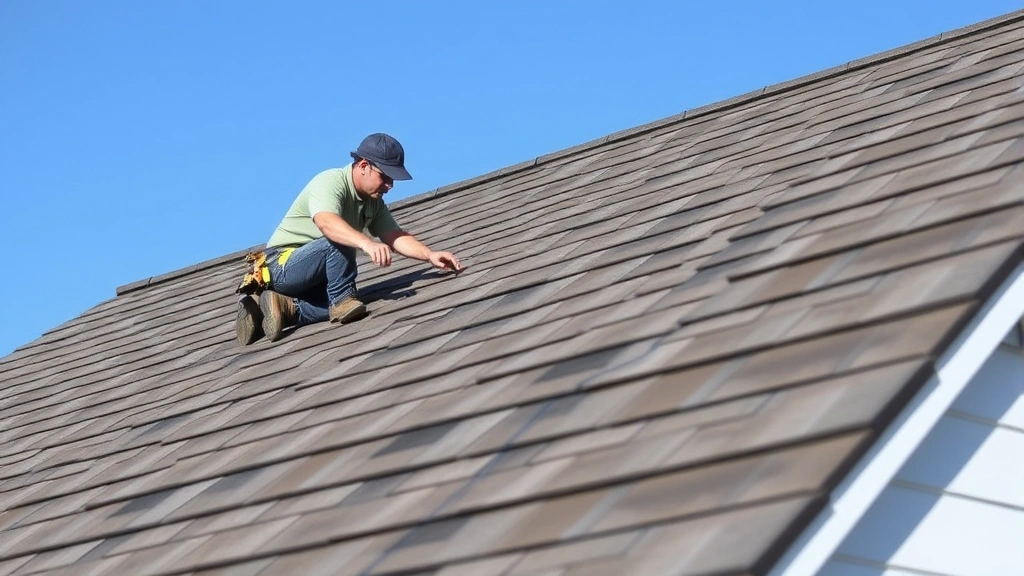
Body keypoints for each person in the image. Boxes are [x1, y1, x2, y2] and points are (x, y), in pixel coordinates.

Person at [235, 133, 462, 345]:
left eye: (393, 180)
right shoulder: (330, 181)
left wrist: (429, 255)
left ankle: (285, 308)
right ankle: (339, 301)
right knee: (343, 284)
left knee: (357, 299)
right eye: (385, 177)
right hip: (281, 266)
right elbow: (326, 222)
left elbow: (395, 236)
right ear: (363, 166)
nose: (390, 186)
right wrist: (366, 242)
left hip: (313, 279)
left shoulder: (374, 204)